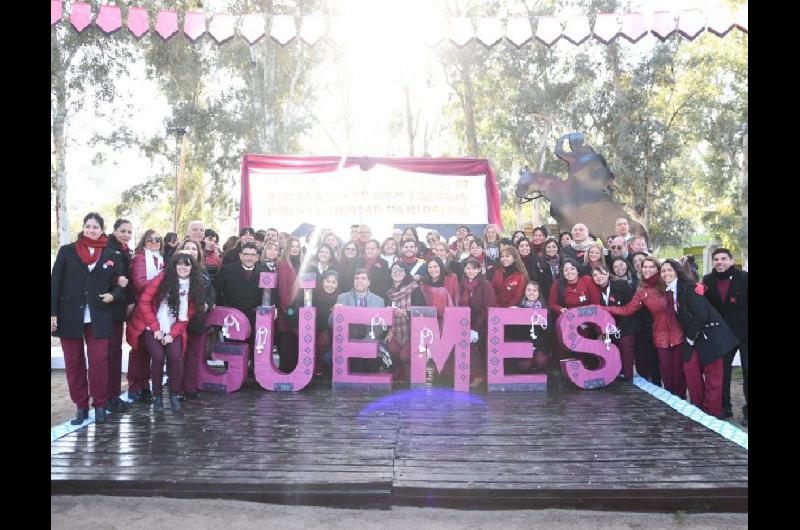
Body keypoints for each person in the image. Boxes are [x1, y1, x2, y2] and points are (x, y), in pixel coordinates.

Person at [51, 212, 126, 425]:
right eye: (88, 226)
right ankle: (81, 406)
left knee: (99, 361)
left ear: (102, 230)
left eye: (96, 227)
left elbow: (119, 286)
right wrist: (53, 313)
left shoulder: (112, 255)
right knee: (73, 363)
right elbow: (55, 282)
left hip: (99, 316)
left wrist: (113, 295)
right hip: (69, 315)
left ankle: (100, 405)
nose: (91, 230)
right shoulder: (67, 251)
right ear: (83, 228)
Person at [126, 252, 205, 412]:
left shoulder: (194, 286)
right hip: (151, 325)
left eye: (187, 264)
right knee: (158, 356)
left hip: (174, 329)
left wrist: (171, 335)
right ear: (174, 265)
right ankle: (157, 396)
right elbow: (144, 301)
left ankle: (174, 394)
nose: (183, 267)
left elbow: (186, 316)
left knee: (176, 357)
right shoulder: (163, 278)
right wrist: (156, 329)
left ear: (192, 267)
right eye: (179, 264)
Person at [664, 259, 738, 418]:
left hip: (712, 337)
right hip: (694, 338)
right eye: (663, 271)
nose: (666, 273)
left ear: (677, 271)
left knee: (713, 379)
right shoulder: (670, 292)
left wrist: (689, 337)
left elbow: (702, 314)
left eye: (670, 270)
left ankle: (711, 416)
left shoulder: (689, 287)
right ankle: (699, 413)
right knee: (691, 372)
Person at [604, 257, 685, 399]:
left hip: (679, 333)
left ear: (658, 269)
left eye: (651, 267)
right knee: (666, 372)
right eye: (645, 267)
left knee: (679, 371)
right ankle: (671, 402)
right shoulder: (642, 290)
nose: (647, 270)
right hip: (660, 335)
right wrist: (605, 308)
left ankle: (682, 400)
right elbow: (628, 309)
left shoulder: (668, 284)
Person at [702, 248, 748, 424]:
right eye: (716, 259)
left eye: (723, 259)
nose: (719, 262)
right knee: (722, 372)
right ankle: (724, 407)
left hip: (745, 332)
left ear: (731, 260)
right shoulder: (707, 281)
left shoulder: (744, 278)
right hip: (722, 335)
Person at [214, 242, 268, 373]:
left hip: (255, 318)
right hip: (232, 317)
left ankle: (253, 373)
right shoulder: (227, 270)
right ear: (240, 255)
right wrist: (224, 310)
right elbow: (216, 291)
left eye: (252, 255)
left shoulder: (264, 272)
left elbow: (271, 295)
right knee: (232, 348)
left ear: (257, 257)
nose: (249, 258)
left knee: (254, 347)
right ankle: (231, 375)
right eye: (246, 254)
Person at [127, 229, 164, 403]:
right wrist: (162, 278)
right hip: (141, 311)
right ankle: (135, 387)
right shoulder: (140, 258)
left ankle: (145, 386)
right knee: (138, 350)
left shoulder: (162, 260)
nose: (154, 241)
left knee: (150, 352)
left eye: (158, 239)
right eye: (150, 239)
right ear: (144, 240)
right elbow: (140, 283)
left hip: (157, 311)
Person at [178, 239, 215, 399]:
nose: (191, 251)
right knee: (178, 354)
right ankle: (177, 388)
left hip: (197, 318)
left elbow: (211, 290)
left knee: (193, 353)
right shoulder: (176, 269)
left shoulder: (203, 271)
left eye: (194, 248)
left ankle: (190, 387)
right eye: (188, 248)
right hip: (178, 319)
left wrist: (209, 303)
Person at [105, 219, 135, 414]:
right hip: (107, 308)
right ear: (114, 231)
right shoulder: (107, 249)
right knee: (108, 354)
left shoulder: (125, 251)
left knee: (116, 353)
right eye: (122, 230)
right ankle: (108, 396)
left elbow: (128, 280)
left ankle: (114, 395)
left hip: (120, 308)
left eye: (129, 231)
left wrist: (130, 300)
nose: (126, 234)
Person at [591, 265, 641, 381]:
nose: (598, 277)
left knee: (627, 357)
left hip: (626, 327)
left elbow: (630, 307)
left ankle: (629, 382)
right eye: (595, 275)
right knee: (614, 357)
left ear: (608, 273)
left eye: (601, 273)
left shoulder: (621, 285)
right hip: (609, 330)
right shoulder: (595, 291)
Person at [334, 269, 386, 373]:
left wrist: (365, 343)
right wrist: (335, 313)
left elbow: (379, 327)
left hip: (370, 337)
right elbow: (332, 324)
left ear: (369, 282)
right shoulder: (342, 298)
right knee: (355, 356)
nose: (359, 281)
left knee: (371, 354)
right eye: (356, 278)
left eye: (363, 278)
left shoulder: (379, 300)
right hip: (350, 338)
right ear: (353, 281)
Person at [384, 263, 426, 383]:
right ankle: (400, 374)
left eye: (401, 270)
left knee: (405, 355)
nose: (397, 273)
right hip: (394, 329)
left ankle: (413, 377)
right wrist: (389, 329)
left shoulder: (414, 288)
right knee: (391, 348)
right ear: (390, 274)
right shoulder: (388, 292)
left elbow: (421, 309)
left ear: (406, 273)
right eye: (394, 271)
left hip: (412, 329)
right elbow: (385, 312)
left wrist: (404, 313)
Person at [459, 259, 497, 388]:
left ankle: (479, 374)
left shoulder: (485, 284)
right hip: (465, 322)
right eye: (468, 268)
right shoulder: (461, 285)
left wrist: (475, 328)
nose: (471, 271)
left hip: (482, 323)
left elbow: (488, 307)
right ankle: (467, 373)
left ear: (479, 270)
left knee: (474, 346)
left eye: (474, 268)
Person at [275, 237, 304, 373]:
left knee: (298, 341)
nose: (295, 249)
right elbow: (282, 288)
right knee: (287, 341)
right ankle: (286, 371)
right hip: (287, 309)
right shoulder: (283, 264)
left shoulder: (303, 264)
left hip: (301, 309)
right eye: (292, 246)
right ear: (287, 248)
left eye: (297, 246)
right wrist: (288, 309)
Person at [313, 269, 340, 378]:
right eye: (328, 281)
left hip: (334, 331)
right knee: (323, 340)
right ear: (323, 282)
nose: (330, 285)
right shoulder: (314, 295)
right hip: (317, 328)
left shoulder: (340, 297)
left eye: (333, 282)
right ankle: (317, 368)